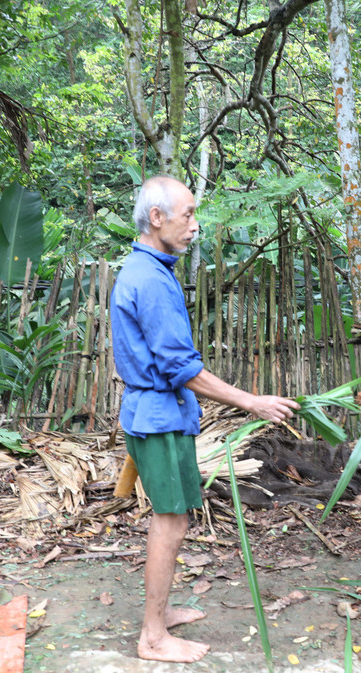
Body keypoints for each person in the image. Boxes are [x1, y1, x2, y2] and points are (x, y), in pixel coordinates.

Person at [111, 175, 299, 663]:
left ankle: (161, 612)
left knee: (174, 516)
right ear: (157, 218)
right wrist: (253, 401)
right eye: (188, 213)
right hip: (157, 416)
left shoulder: (150, 267)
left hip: (157, 412)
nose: (196, 224)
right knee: (170, 521)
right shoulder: (150, 278)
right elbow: (180, 368)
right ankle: (152, 637)